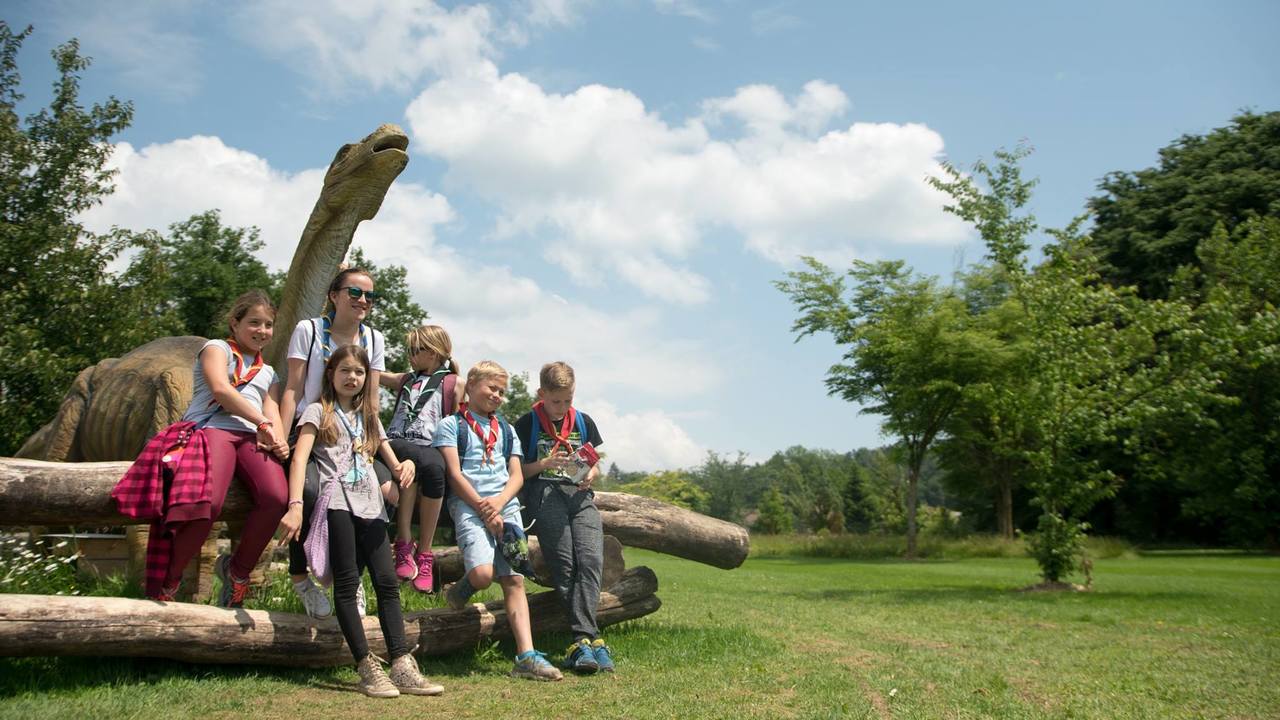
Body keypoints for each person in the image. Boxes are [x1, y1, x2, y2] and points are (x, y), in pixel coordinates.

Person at [277, 344, 442, 698]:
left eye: (360, 372)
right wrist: (294, 504)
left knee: (385, 580)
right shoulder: (317, 413)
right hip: (336, 503)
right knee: (348, 582)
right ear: (331, 376)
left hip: (371, 504)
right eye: (345, 371)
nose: (353, 378)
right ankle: (366, 666)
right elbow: (299, 459)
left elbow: (391, 461)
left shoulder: (368, 416)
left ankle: (400, 663)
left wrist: (405, 467)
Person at [434, 361, 563, 681]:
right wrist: (482, 507)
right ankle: (459, 591)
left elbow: (516, 474)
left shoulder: (505, 429)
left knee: (514, 579)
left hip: (505, 506)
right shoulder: (451, 425)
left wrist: (500, 504)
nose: (497, 396)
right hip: (468, 505)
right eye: (492, 388)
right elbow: (453, 473)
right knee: (481, 574)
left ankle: (526, 657)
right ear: (473, 383)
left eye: (502, 392)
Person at [163, 290, 290, 605]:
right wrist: (262, 422)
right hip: (214, 428)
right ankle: (169, 579)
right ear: (235, 323)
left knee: (276, 498)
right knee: (209, 504)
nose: (262, 330)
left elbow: (271, 406)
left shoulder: (268, 371)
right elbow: (221, 390)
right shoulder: (216, 348)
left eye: (268, 324)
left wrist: (278, 437)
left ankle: (238, 573)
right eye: (254, 322)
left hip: (251, 436)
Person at [278, 267, 389, 618]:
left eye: (370, 296)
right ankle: (301, 577)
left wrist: (372, 447)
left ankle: (352, 578)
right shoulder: (308, 330)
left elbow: (371, 401)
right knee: (310, 494)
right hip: (312, 427)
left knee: (388, 490)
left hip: (354, 434)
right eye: (355, 292)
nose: (363, 301)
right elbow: (293, 388)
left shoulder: (373, 339)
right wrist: (282, 439)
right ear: (334, 295)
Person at [513, 361, 613, 674]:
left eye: (568, 400)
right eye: (556, 401)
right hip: (543, 496)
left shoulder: (583, 421)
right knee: (564, 564)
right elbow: (515, 472)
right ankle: (587, 640)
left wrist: (590, 474)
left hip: (579, 496)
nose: (561, 407)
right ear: (541, 393)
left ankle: (583, 642)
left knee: (591, 561)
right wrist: (543, 464)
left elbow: (594, 463)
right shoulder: (526, 425)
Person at [379, 325, 459, 594]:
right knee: (409, 466)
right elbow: (377, 375)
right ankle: (404, 542)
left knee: (433, 469)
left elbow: (459, 422)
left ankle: (424, 552)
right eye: (409, 350)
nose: (410, 356)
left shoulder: (452, 383)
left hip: (429, 444)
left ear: (435, 352)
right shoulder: (406, 379)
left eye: (416, 350)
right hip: (396, 441)